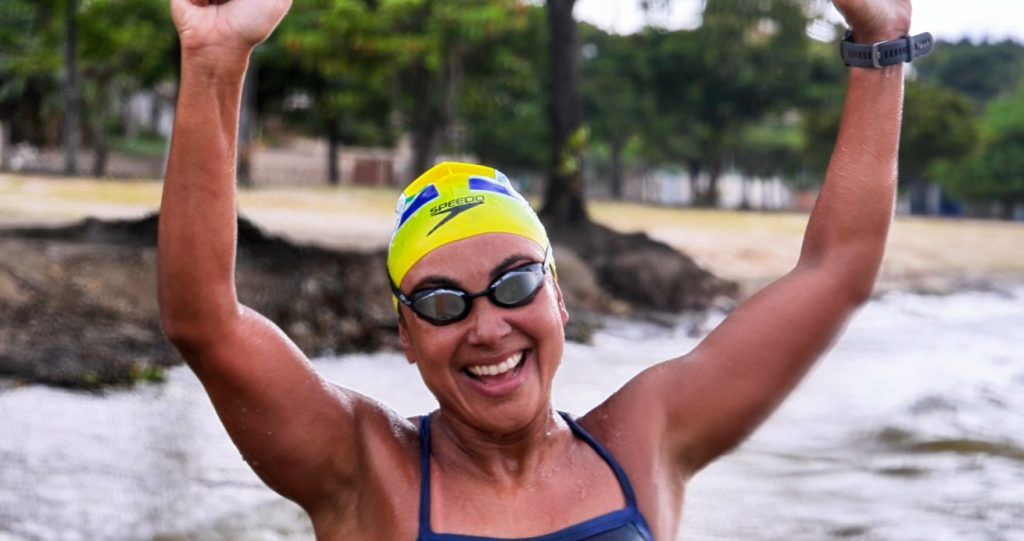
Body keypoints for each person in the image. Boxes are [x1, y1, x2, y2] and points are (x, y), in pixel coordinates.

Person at [159, 0, 922, 539]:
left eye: (516, 282)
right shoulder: (364, 468)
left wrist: (881, 40)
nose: (488, 327)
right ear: (406, 335)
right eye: (443, 302)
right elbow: (204, 321)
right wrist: (215, 60)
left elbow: (837, 271)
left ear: (558, 297)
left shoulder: (646, 439)